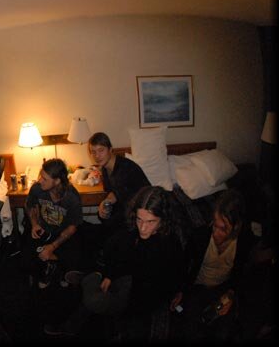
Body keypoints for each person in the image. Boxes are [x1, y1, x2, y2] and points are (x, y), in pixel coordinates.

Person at [45, 185, 185, 340]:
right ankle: (89, 281)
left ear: (163, 219)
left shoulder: (169, 243)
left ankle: (88, 278)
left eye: (151, 221)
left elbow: (169, 276)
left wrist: (178, 291)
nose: (143, 228)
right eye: (139, 219)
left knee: (93, 299)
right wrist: (110, 275)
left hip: (140, 293)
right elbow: (118, 251)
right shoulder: (132, 228)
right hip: (124, 276)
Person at [176, 189, 254, 342]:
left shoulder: (244, 240)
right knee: (190, 327)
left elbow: (241, 271)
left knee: (225, 328)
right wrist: (180, 290)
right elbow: (183, 266)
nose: (216, 233)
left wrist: (231, 294)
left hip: (223, 288)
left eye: (223, 229)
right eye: (215, 225)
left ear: (236, 226)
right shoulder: (200, 236)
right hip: (198, 287)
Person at [22, 158, 85, 289]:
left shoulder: (72, 196)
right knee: (26, 258)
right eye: (41, 176)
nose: (40, 181)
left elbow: (72, 227)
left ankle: (56, 266)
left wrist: (52, 246)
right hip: (44, 229)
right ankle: (49, 265)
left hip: (63, 233)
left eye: (45, 179)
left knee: (75, 257)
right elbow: (29, 204)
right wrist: (34, 224)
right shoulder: (37, 188)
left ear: (57, 181)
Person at [88, 132, 149, 239]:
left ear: (110, 149)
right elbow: (113, 192)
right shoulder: (105, 168)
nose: (97, 156)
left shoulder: (125, 167)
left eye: (101, 150)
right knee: (102, 216)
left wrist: (106, 202)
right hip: (125, 208)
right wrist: (104, 204)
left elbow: (120, 192)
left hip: (141, 213)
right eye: (93, 152)